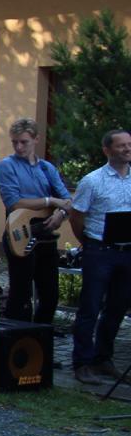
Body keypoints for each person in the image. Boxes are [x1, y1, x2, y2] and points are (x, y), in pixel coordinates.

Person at [0, 118, 72, 325]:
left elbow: (67, 201)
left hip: (46, 235)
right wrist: (50, 201)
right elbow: (14, 203)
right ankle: (18, 338)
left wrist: (60, 214)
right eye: (15, 142)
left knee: (50, 295)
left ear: (36, 139)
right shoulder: (6, 166)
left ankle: (40, 336)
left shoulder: (47, 168)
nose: (19, 147)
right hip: (19, 232)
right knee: (21, 294)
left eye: (24, 142)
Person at [69, 128, 131, 385]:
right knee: (90, 307)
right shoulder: (92, 181)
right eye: (121, 145)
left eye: (129, 144)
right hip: (99, 251)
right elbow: (76, 215)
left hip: (127, 253)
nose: (127, 149)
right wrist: (87, 242)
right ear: (107, 150)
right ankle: (82, 363)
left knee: (117, 308)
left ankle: (103, 358)